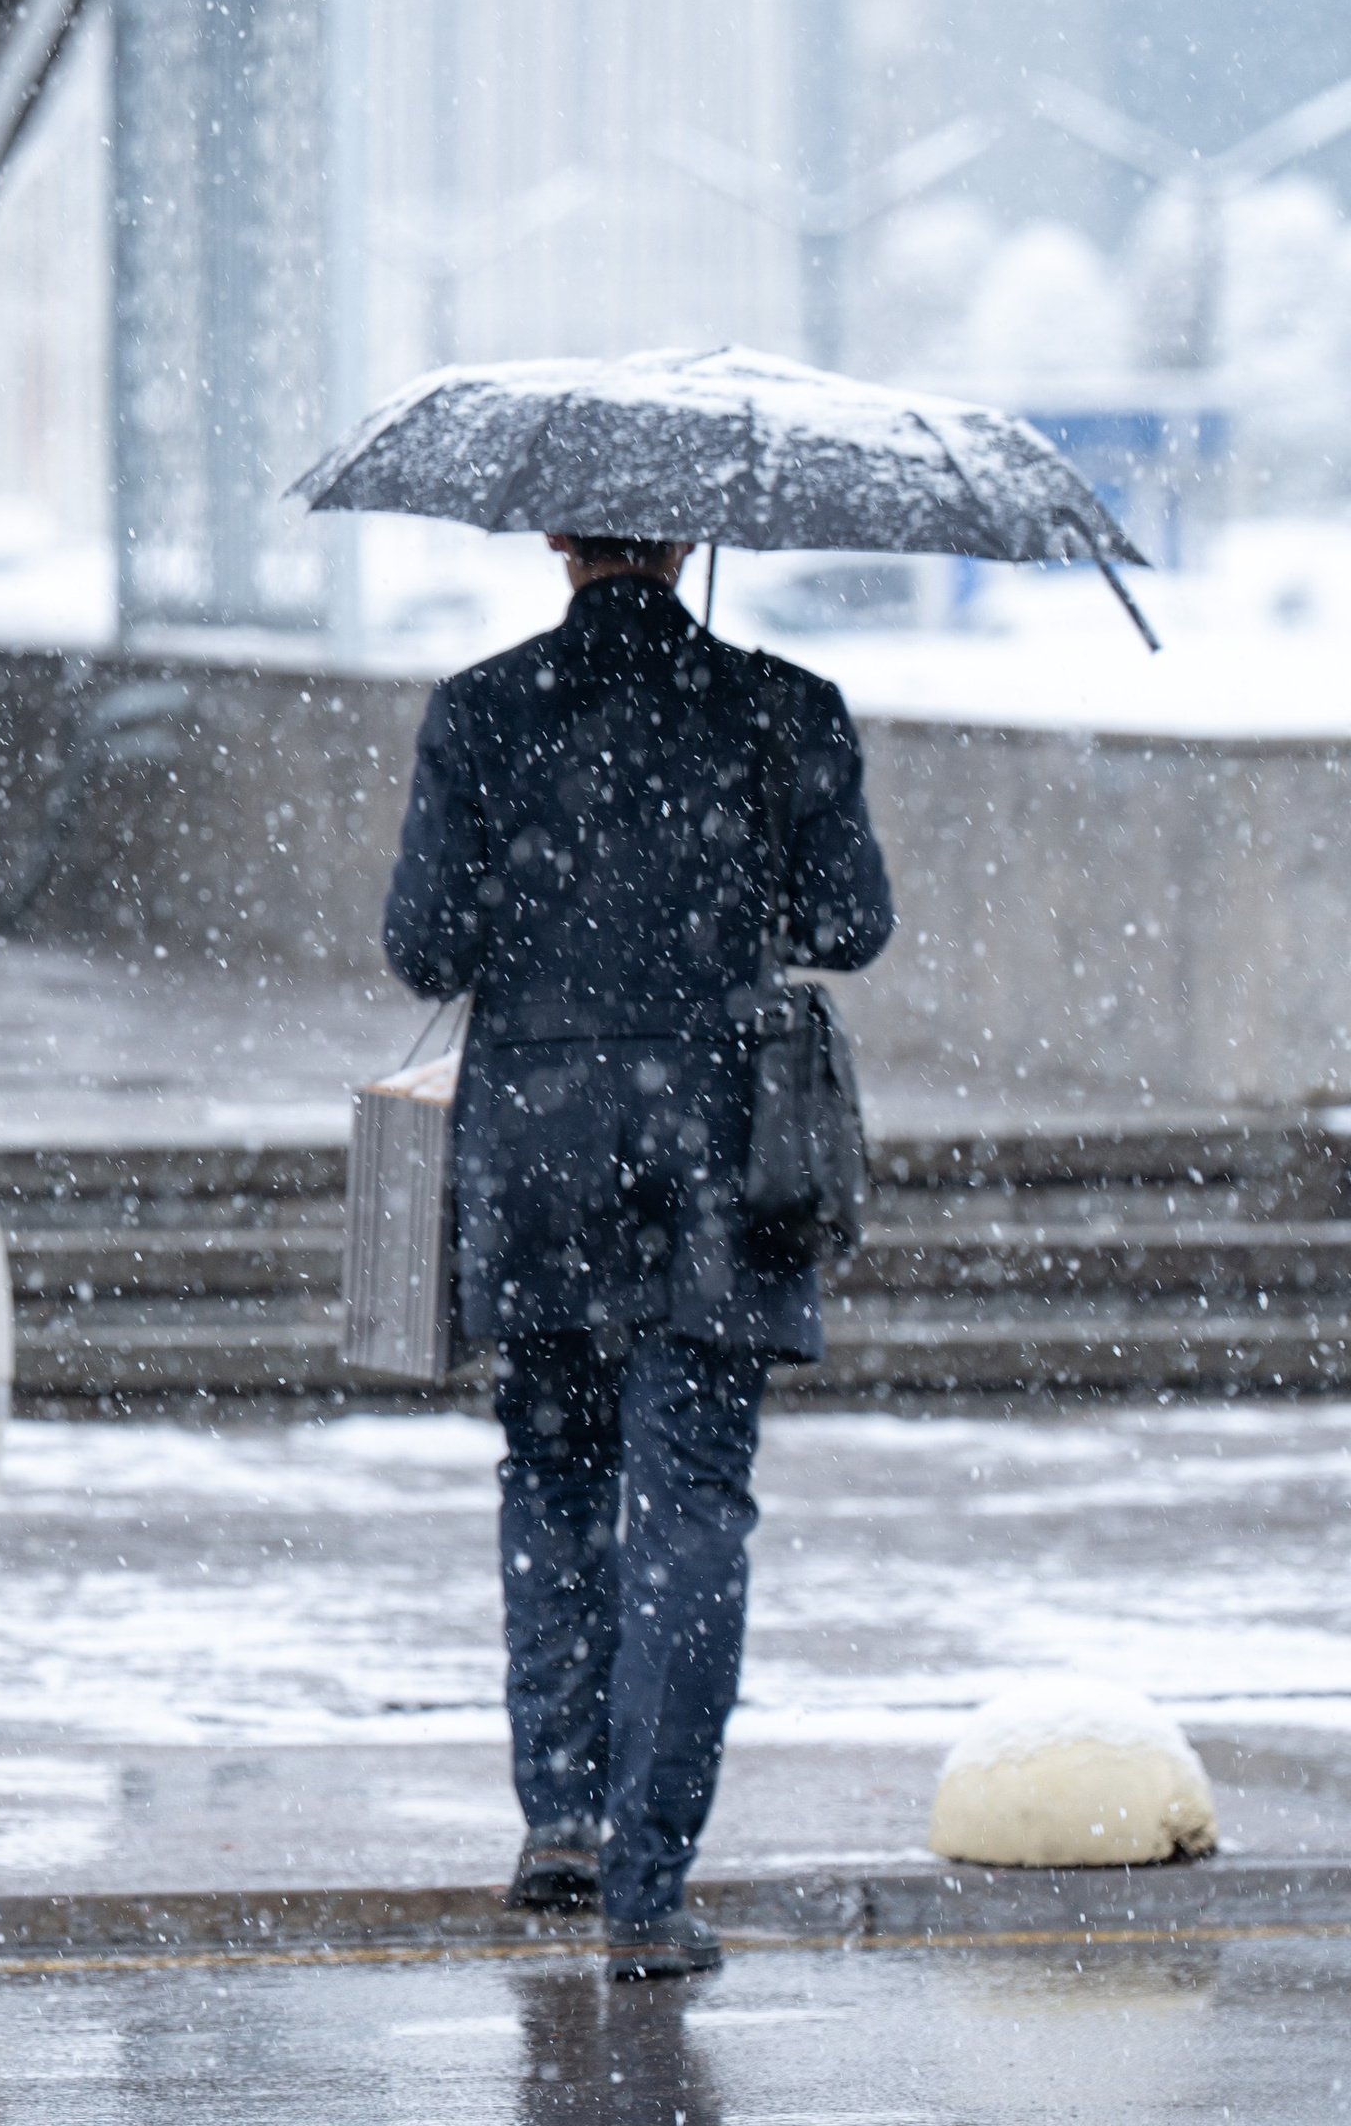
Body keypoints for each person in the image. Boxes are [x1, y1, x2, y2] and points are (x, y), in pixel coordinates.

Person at [383, 529, 893, 1981]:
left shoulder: (480, 708)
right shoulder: (784, 705)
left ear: (556, 539)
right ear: (686, 539)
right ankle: (651, 1888)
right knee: (690, 1505)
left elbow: (424, 946)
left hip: (538, 1149)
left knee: (552, 1471)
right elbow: (853, 926)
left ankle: (560, 1814)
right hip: (722, 1154)